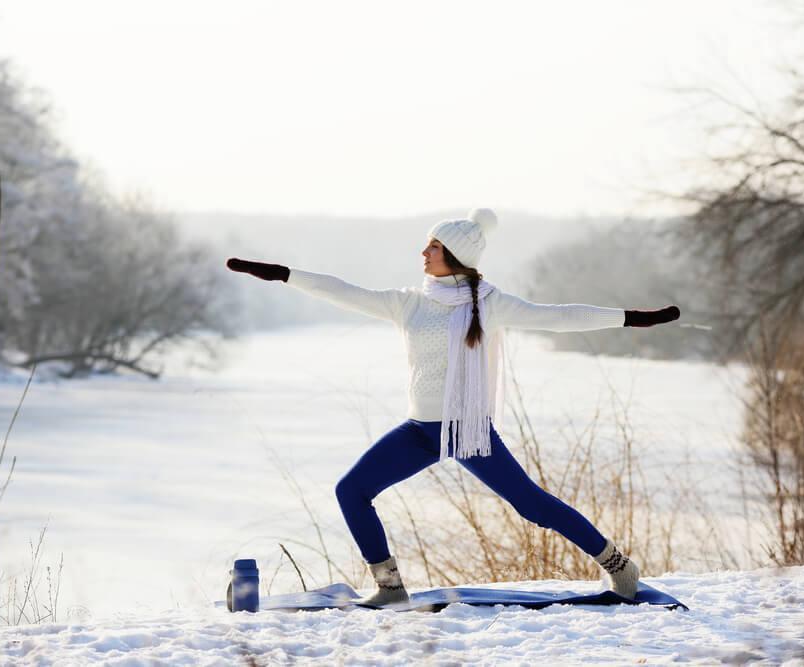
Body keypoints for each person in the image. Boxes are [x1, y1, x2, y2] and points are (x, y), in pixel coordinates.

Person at [226, 208, 680, 607]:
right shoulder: (410, 303)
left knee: (533, 506)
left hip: (467, 430)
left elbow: (558, 315)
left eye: (434, 246)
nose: (423, 252)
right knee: (352, 491)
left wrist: (633, 318)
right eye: (426, 243)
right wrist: (283, 273)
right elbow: (343, 290)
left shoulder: (491, 304)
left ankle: (620, 566)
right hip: (420, 430)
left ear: (456, 255)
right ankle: (389, 587)